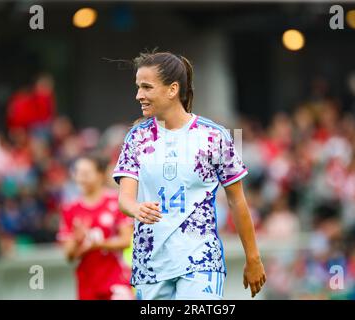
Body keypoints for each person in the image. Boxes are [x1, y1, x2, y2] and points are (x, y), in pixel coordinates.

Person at [112, 51, 266, 300]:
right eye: (138, 87)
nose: (138, 95)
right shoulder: (136, 137)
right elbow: (125, 199)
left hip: (200, 260)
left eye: (146, 87)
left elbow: (237, 200)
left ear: (172, 89)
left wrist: (253, 258)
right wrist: (136, 208)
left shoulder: (213, 136)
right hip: (150, 263)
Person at [58, 154, 134, 300]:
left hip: (116, 279)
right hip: (87, 284)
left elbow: (125, 241)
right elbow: (68, 255)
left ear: (100, 175)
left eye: (86, 173)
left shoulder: (117, 202)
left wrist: (98, 244)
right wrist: (76, 239)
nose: (80, 178)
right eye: (77, 173)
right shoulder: (70, 209)